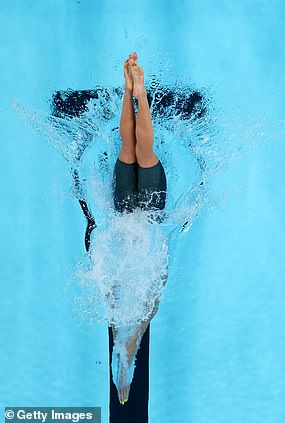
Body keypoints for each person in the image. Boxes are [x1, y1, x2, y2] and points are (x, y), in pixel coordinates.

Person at [111, 52, 167, 404]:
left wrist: (122, 381)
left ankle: (136, 91)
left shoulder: (135, 301)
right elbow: (127, 342)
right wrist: (122, 380)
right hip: (136, 214)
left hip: (138, 213)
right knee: (134, 152)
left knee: (137, 153)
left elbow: (127, 343)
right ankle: (133, 91)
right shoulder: (134, 303)